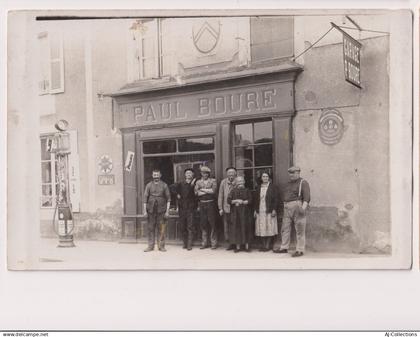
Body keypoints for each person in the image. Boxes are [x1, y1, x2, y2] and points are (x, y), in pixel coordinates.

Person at [278, 166, 310, 257]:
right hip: (287, 207)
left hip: (297, 206)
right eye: (290, 173)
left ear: (298, 173)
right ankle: (284, 247)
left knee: (300, 229)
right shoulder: (288, 184)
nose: (291, 175)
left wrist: (303, 209)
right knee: (285, 228)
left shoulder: (303, 182)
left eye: (293, 173)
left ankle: (300, 250)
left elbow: (307, 197)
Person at [143, 169, 171, 252]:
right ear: (152, 176)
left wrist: (167, 211)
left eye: (157, 175)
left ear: (160, 175)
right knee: (151, 228)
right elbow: (145, 199)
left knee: (161, 228)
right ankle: (150, 246)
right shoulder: (148, 185)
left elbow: (169, 199)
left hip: (161, 210)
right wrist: (145, 211)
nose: (156, 176)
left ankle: (161, 246)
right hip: (151, 210)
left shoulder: (164, 185)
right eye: (154, 175)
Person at [254, 172, 279, 252]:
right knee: (261, 227)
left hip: (269, 210)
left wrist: (274, 209)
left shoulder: (273, 187)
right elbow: (256, 200)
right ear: (261, 178)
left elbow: (276, 199)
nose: (265, 178)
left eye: (266, 176)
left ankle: (267, 246)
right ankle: (263, 245)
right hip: (260, 210)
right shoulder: (258, 187)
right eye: (263, 176)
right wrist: (255, 210)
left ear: (269, 178)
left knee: (269, 227)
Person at [194, 166, 218, 249]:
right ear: (201, 173)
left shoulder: (213, 181)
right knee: (203, 224)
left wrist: (202, 190)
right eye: (203, 173)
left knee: (212, 224)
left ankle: (213, 243)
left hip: (211, 204)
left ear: (208, 174)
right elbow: (196, 193)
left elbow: (213, 191)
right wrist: (207, 190)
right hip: (201, 204)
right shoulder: (198, 182)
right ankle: (204, 243)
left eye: (206, 173)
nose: (205, 174)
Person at [227, 176, 253, 253]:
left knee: (246, 228)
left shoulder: (247, 190)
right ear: (236, 182)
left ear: (244, 182)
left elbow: (251, 200)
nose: (240, 183)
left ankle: (247, 246)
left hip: (245, 212)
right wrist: (235, 201)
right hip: (236, 213)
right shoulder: (233, 190)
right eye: (238, 181)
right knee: (237, 228)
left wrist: (245, 202)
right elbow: (228, 200)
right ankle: (238, 247)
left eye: (241, 181)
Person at [175, 168, 197, 251]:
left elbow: (197, 196)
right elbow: (172, 188)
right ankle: (185, 243)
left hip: (191, 208)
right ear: (185, 175)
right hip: (182, 208)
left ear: (192, 175)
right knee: (183, 226)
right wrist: (177, 194)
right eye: (187, 173)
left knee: (190, 227)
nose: (188, 174)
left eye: (190, 173)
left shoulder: (195, 183)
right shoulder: (180, 183)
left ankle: (189, 244)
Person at [218, 167, 237, 250]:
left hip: (236, 208)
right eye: (229, 173)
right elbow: (220, 195)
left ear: (235, 173)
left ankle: (237, 243)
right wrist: (220, 208)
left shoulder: (238, 181)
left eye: (232, 172)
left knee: (236, 226)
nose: (231, 174)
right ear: (227, 174)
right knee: (226, 226)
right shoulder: (223, 182)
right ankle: (230, 243)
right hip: (226, 208)